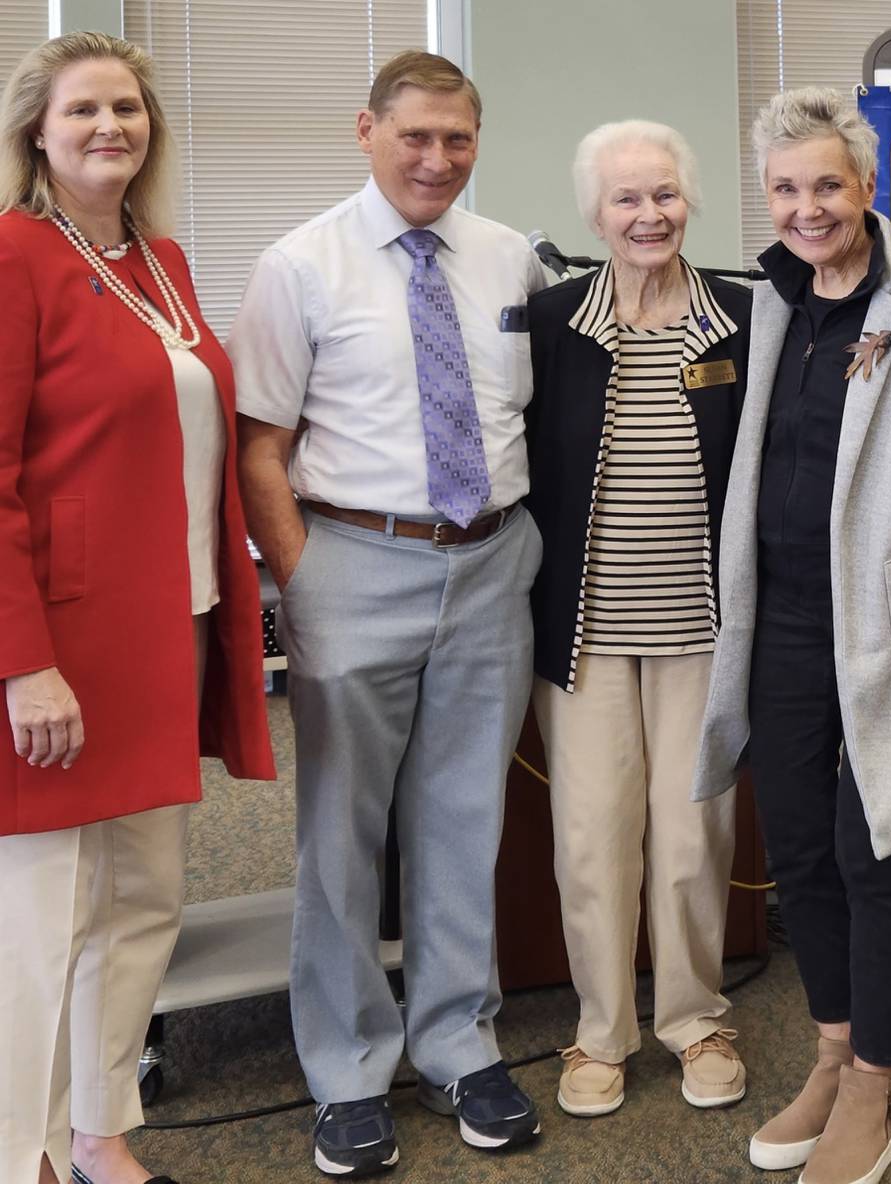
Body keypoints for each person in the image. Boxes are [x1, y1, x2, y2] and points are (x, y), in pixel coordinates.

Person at [230, 50, 547, 1176]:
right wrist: (306, 579)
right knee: (343, 832)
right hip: (354, 559)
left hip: (490, 563)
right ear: (365, 131)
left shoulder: (511, 254)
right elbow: (258, 445)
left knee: (467, 820)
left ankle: (459, 1042)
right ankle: (349, 1067)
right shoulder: (299, 264)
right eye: (414, 135)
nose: (435, 158)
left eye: (456, 137)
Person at [692, 87, 891, 1184]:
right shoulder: (768, 298)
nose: (807, 208)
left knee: (878, 847)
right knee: (804, 849)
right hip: (776, 618)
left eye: (827, 184)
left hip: (888, 627)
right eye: (785, 188)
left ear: (867, 189)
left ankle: (879, 1079)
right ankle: (831, 1049)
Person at [0, 31, 275, 1184]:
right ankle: (26, 1149)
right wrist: (23, 662)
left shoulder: (159, 260)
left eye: (127, 107)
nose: (109, 126)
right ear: (37, 132)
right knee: (45, 914)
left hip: (176, 623)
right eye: (83, 111)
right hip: (63, 644)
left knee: (148, 897)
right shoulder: (14, 253)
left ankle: (106, 1128)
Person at [526, 120, 751, 1118]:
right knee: (591, 835)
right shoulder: (550, 324)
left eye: (664, 195)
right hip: (582, 630)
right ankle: (601, 1031)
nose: (648, 215)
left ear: (688, 201)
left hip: (704, 626)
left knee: (695, 836)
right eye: (626, 199)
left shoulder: (746, 318)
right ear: (594, 213)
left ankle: (697, 1018)